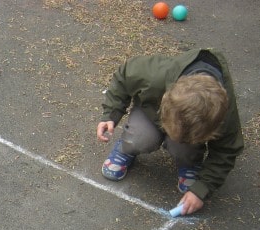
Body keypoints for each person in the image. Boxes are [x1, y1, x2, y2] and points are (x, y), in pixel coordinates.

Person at [97, 48, 244, 215]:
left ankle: (189, 160)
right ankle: (126, 148)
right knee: (141, 138)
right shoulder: (154, 75)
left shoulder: (224, 113)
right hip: (151, 111)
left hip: (190, 131)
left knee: (182, 149)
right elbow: (123, 77)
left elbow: (227, 151)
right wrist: (111, 113)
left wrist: (202, 188)